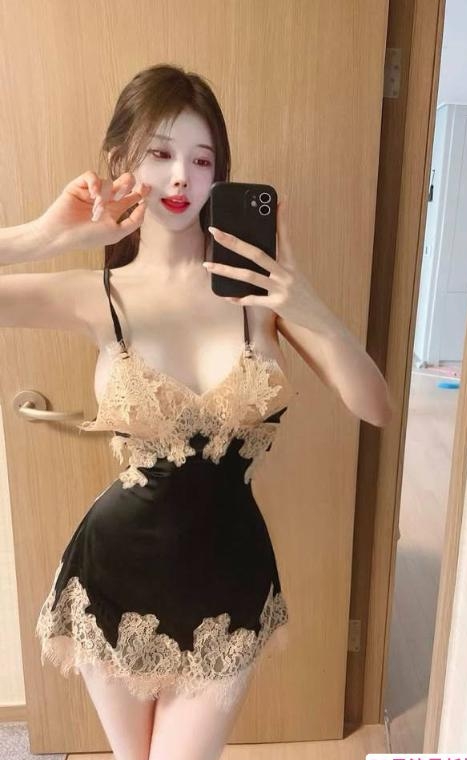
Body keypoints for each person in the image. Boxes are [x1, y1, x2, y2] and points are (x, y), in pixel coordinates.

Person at [1, 63, 393, 760]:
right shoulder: (97, 295)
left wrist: (305, 305)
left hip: (228, 584)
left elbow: (375, 406)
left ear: (220, 176)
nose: (181, 176)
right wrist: (44, 237)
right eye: (160, 153)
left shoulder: (258, 296)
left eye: (202, 159)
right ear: (120, 161)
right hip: (114, 575)